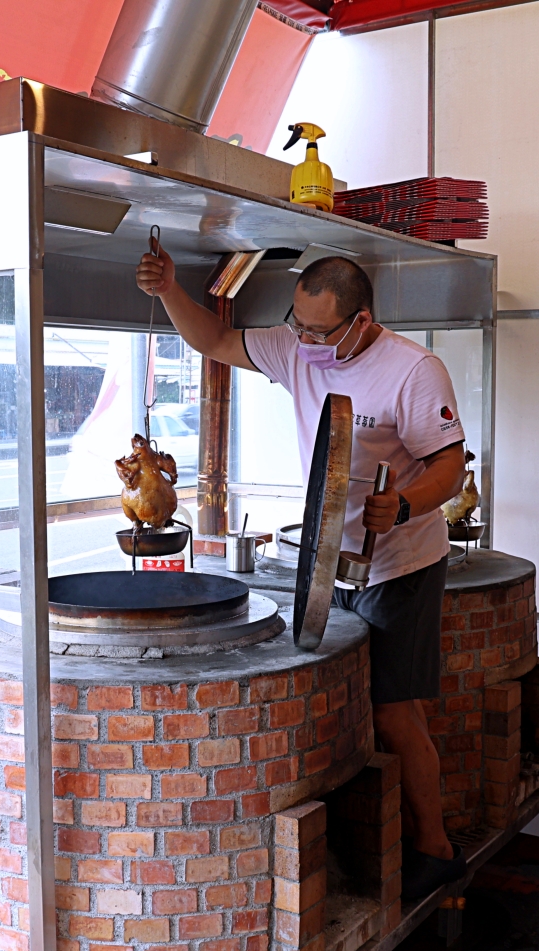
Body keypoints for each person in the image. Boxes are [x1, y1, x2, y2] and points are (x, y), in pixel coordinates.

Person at [136, 245, 468, 899]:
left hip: (398, 563)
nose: (306, 341)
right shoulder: (293, 350)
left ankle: (434, 847)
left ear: (361, 322)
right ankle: (366, 841)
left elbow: (448, 468)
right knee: (343, 706)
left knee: (395, 712)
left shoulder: (412, 370)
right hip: (324, 561)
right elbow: (212, 338)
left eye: (320, 332)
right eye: (299, 325)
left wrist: (400, 504)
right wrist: (171, 289)